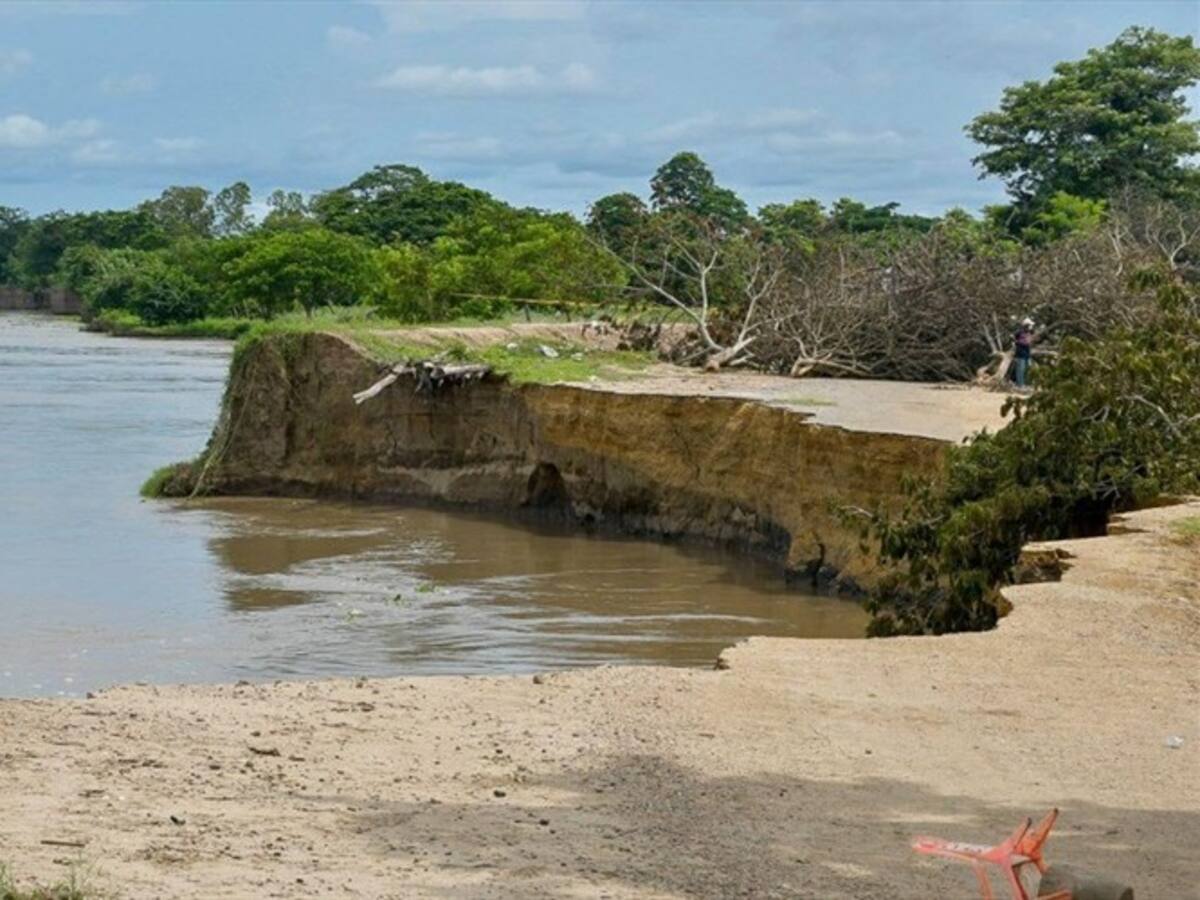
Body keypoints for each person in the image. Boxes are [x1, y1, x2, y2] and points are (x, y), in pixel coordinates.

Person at [1012, 317, 1034, 388]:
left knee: (1028, 368)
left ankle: (1027, 384)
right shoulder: (1019, 332)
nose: (1030, 327)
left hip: (1027, 353)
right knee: (1020, 369)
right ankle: (1020, 384)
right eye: (1029, 325)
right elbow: (1013, 337)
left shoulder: (1029, 332)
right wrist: (1017, 342)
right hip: (1020, 353)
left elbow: (1029, 342)